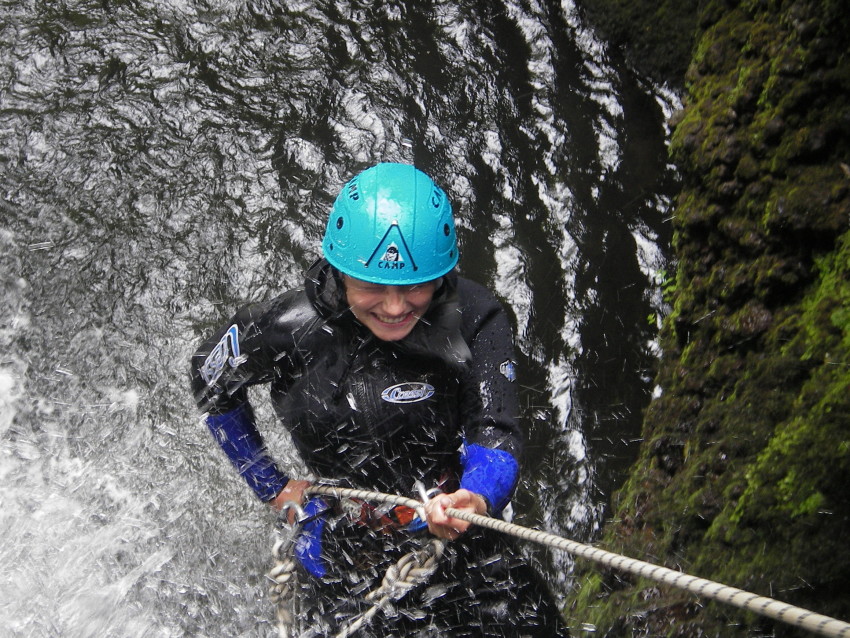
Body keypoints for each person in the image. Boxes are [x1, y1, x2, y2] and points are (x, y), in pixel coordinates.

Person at [190, 162, 570, 636]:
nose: (394, 307)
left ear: (441, 275)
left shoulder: (474, 317)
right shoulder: (287, 329)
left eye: (414, 286)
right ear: (339, 272)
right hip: (339, 553)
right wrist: (273, 487)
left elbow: (494, 426)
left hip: (452, 528)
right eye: (372, 286)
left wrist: (476, 497)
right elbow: (211, 381)